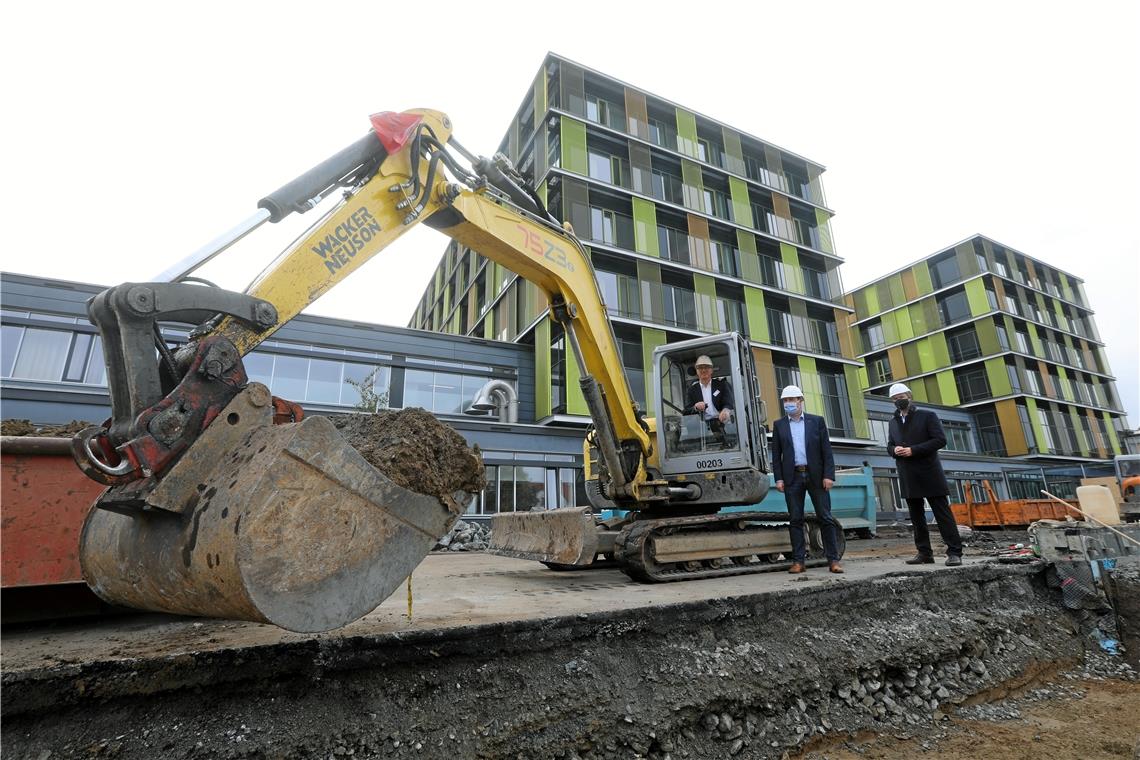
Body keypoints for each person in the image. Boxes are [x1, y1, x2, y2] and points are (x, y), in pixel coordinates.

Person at [886, 383, 963, 566]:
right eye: (895, 399)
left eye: (901, 397)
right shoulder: (893, 422)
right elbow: (889, 444)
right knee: (916, 516)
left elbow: (940, 440)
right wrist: (893, 450)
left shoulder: (927, 416)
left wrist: (914, 450)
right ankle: (924, 553)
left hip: (929, 471)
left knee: (942, 513)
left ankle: (954, 552)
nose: (899, 401)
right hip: (908, 474)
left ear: (909, 396)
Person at [769, 385, 843, 574]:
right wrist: (778, 478)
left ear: (800, 400)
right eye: (785, 401)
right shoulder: (779, 425)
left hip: (816, 476)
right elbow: (776, 455)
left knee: (825, 518)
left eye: (792, 400)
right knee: (795, 519)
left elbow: (826, 450)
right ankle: (798, 562)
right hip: (792, 476)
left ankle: (833, 560)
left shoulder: (816, 422)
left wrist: (828, 475)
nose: (788, 403)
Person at [684, 355, 734, 440]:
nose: (703, 370)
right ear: (696, 371)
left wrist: (725, 410)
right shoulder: (692, 390)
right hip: (701, 427)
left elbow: (729, 402)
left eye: (707, 367)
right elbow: (686, 410)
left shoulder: (722, 385)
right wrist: (695, 407)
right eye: (700, 368)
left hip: (721, 423)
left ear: (711, 370)